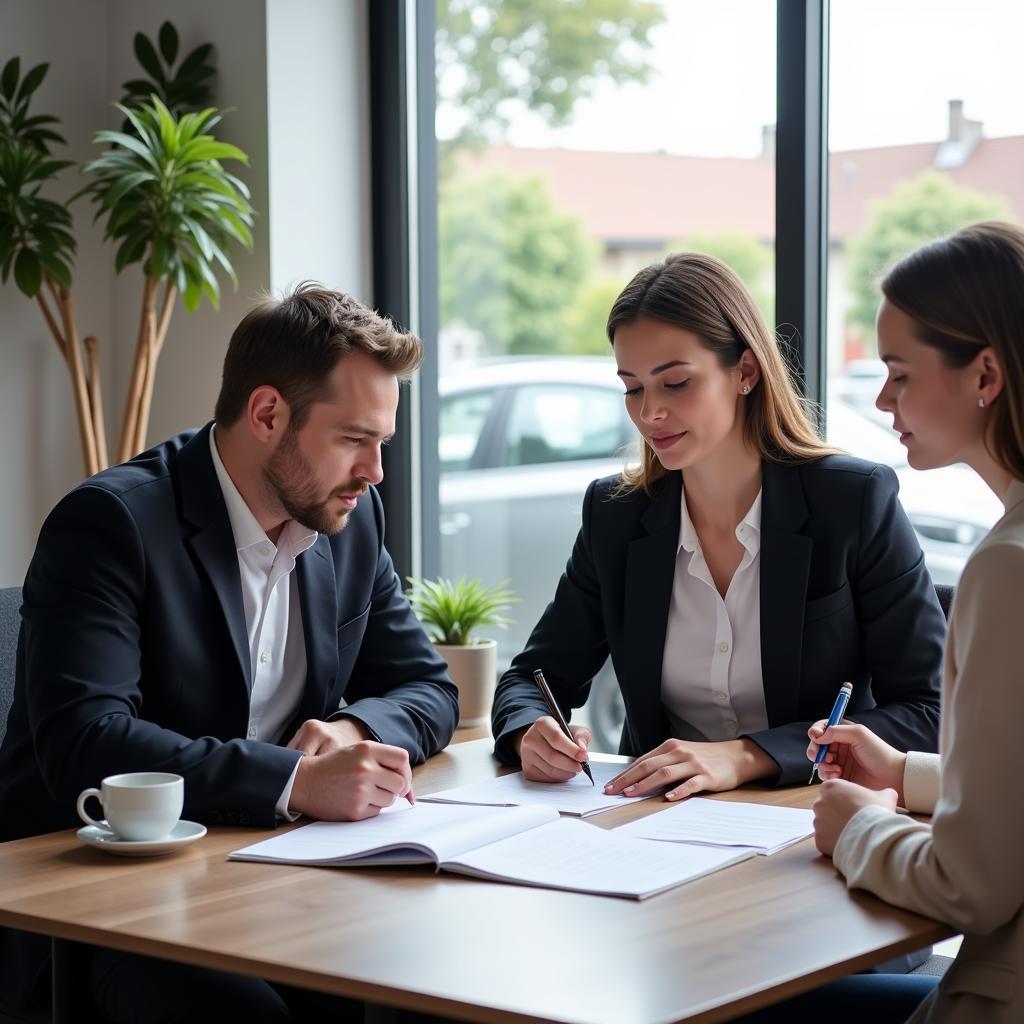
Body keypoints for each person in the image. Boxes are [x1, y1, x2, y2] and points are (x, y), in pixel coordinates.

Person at [0, 284, 459, 1022]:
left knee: (431, 981)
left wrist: (353, 731)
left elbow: (427, 687)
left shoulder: (351, 517)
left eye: (383, 442)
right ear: (268, 413)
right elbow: (85, 740)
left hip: (266, 874)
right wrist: (296, 781)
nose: (375, 471)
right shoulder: (112, 524)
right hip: (99, 907)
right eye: (353, 440)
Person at [491, 252, 944, 800]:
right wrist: (528, 734)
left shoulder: (851, 501)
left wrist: (748, 755)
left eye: (676, 383)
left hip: (813, 816)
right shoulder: (615, 514)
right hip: (655, 824)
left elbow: (929, 710)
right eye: (633, 387)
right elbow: (532, 678)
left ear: (745, 372)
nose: (649, 412)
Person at [802, 221, 1024, 1023]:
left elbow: (972, 886)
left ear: (986, 375)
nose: (882, 398)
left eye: (899, 372)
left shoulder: (1009, 568)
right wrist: (905, 774)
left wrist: (858, 826)